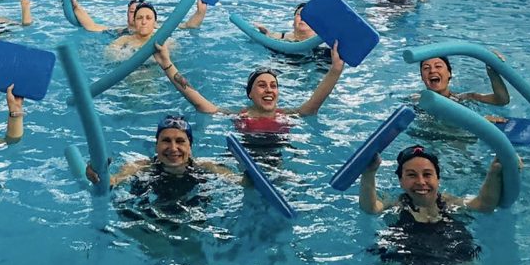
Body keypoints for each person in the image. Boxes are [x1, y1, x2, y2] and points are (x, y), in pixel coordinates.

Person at [358, 145, 509, 265]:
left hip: (453, 256)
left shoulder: (449, 202)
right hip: (403, 258)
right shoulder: (396, 204)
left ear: (438, 178)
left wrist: (495, 172)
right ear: (401, 181)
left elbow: (484, 205)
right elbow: (371, 208)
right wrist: (369, 173)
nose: (421, 182)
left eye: (427, 174)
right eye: (411, 175)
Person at [152, 41, 344, 137]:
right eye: (261, 85)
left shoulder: (288, 114)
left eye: (273, 86)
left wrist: (335, 69)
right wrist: (167, 64)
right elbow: (198, 101)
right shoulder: (238, 115)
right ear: (250, 94)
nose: (269, 90)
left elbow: (313, 104)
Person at [88, 114, 234, 191]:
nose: (173, 148)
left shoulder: (207, 167)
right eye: (166, 140)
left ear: (190, 146)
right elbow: (114, 180)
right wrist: (99, 175)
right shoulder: (141, 166)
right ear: (156, 145)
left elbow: (240, 182)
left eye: (180, 141)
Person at [71, 0, 207, 36]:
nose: (141, 19)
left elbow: (189, 26)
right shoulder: (121, 30)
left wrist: (200, 12)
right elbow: (92, 26)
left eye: (146, 17)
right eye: (133, 13)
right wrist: (76, 8)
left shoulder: (158, 28)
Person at [418, 55, 509, 110]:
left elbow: (502, 100)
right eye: (426, 68)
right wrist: (481, 120)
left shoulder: (465, 98)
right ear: (422, 77)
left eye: (438, 66)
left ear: (449, 73)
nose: (432, 70)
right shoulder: (416, 100)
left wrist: (492, 71)